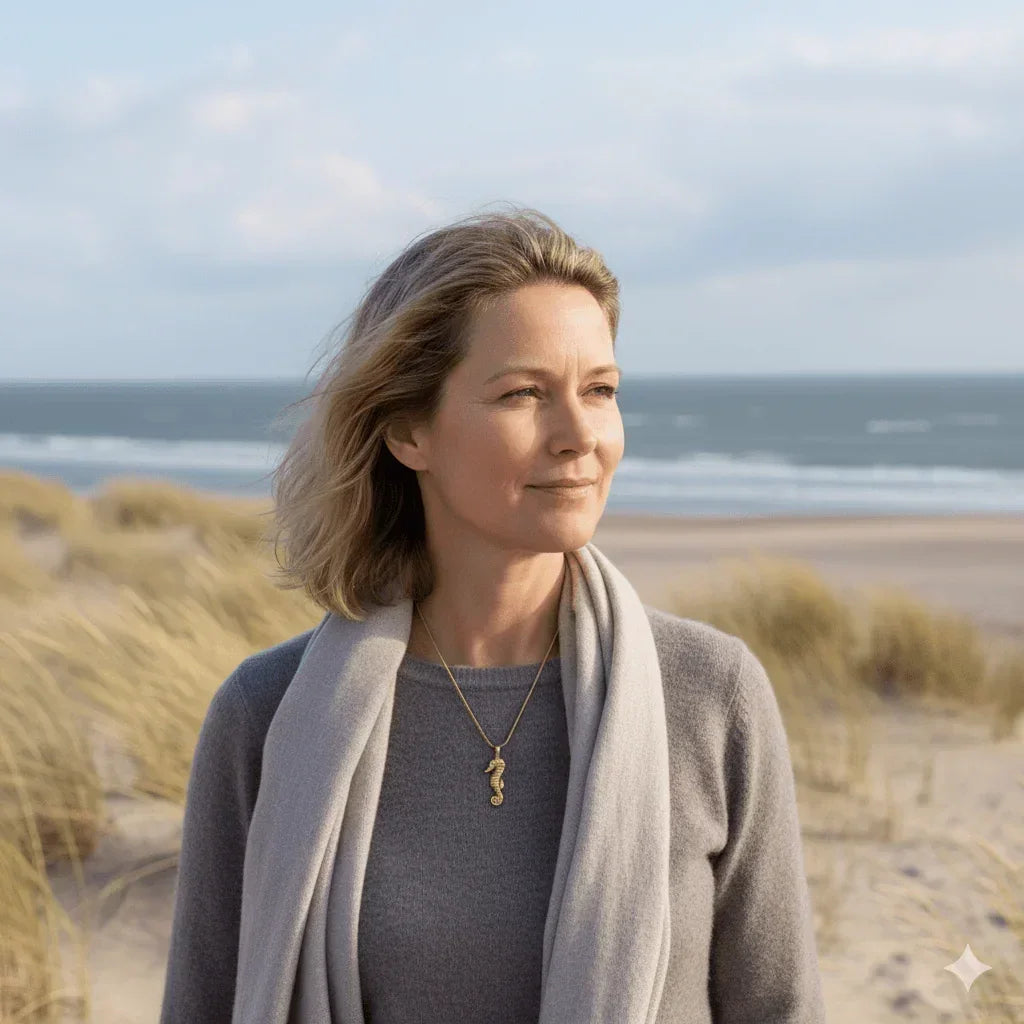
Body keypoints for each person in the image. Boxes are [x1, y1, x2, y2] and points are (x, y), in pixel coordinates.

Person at [159, 206, 826, 1023]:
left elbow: (781, 1008)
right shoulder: (266, 714)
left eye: (601, 391)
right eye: (523, 394)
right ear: (408, 429)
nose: (580, 435)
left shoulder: (710, 694)